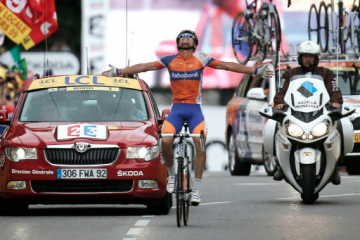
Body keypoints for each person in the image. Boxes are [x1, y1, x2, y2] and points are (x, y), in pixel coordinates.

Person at [102, 29, 273, 206]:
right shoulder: (169, 60)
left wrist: (255, 70)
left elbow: (228, 66)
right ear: (178, 43)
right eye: (182, 37)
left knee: (199, 144)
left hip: (194, 111)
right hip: (177, 109)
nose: (185, 39)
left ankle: (197, 189)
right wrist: (118, 70)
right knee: (165, 142)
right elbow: (144, 67)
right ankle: (172, 175)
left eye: (189, 37)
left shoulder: (201, 58)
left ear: (195, 43)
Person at [272, 40, 343, 185]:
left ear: (316, 58)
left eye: (311, 56)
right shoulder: (289, 74)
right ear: (300, 57)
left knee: (339, 127)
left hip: (320, 113)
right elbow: (281, 91)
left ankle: (334, 166)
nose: (308, 59)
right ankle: (279, 164)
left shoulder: (327, 74)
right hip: (295, 113)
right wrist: (279, 103)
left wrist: (335, 103)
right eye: (305, 56)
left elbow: (334, 90)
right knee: (277, 126)